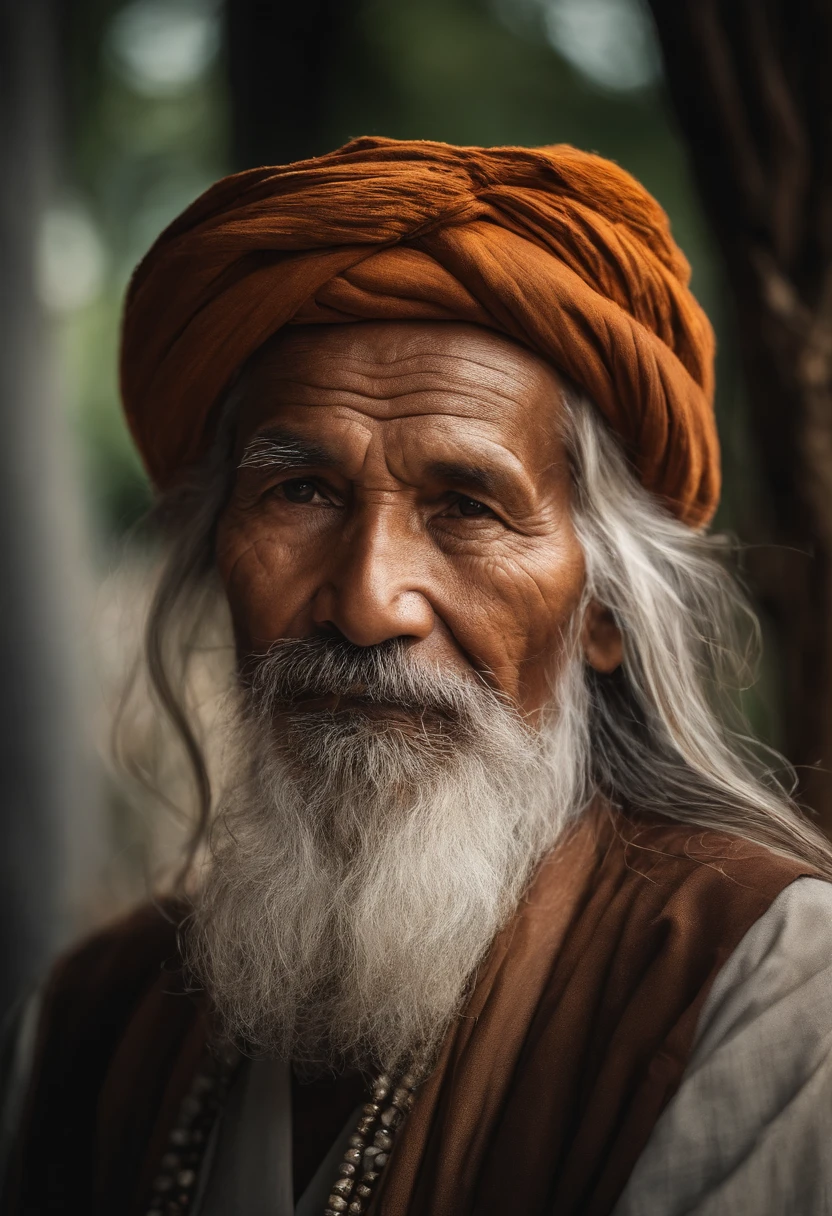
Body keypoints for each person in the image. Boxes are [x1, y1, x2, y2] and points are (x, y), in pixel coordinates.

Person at [4, 136, 832, 1216]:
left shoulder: (764, 983)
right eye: (300, 491)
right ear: (216, 554)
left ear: (604, 611)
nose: (366, 600)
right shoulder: (91, 1018)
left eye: (467, 506)